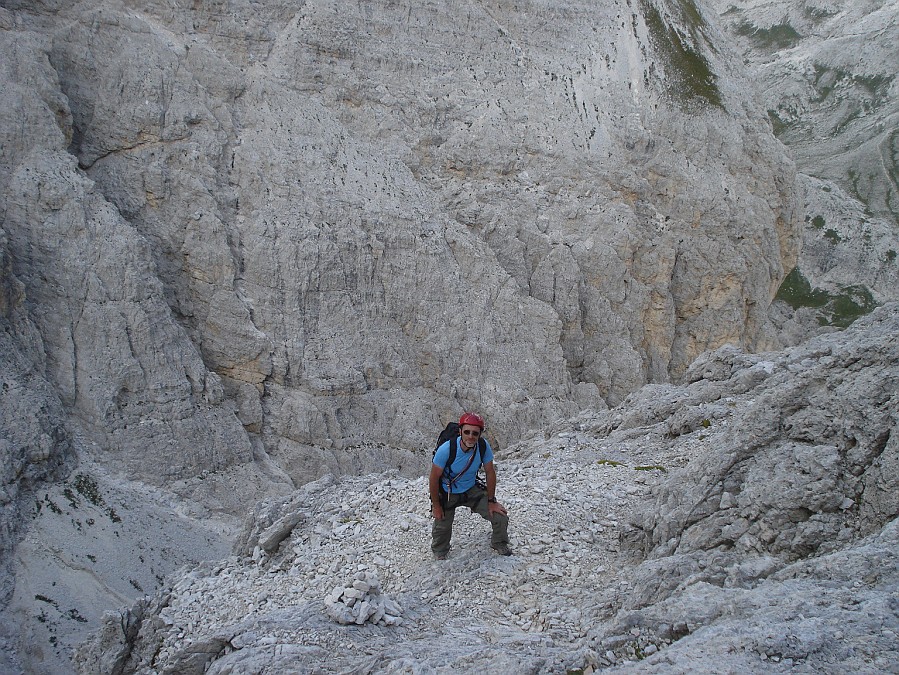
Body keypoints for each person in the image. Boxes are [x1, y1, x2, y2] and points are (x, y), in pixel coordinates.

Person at [429, 412, 512, 560]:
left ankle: (499, 542)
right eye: (466, 432)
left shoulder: (482, 446)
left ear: (480, 434)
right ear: (460, 431)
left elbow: (490, 472)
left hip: (471, 489)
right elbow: (434, 478)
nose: (470, 436)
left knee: (500, 517)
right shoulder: (446, 450)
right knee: (442, 525)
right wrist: (436, 505)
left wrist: (492, 501)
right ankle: (440, 551)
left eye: (475, 433)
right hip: (448, 492)